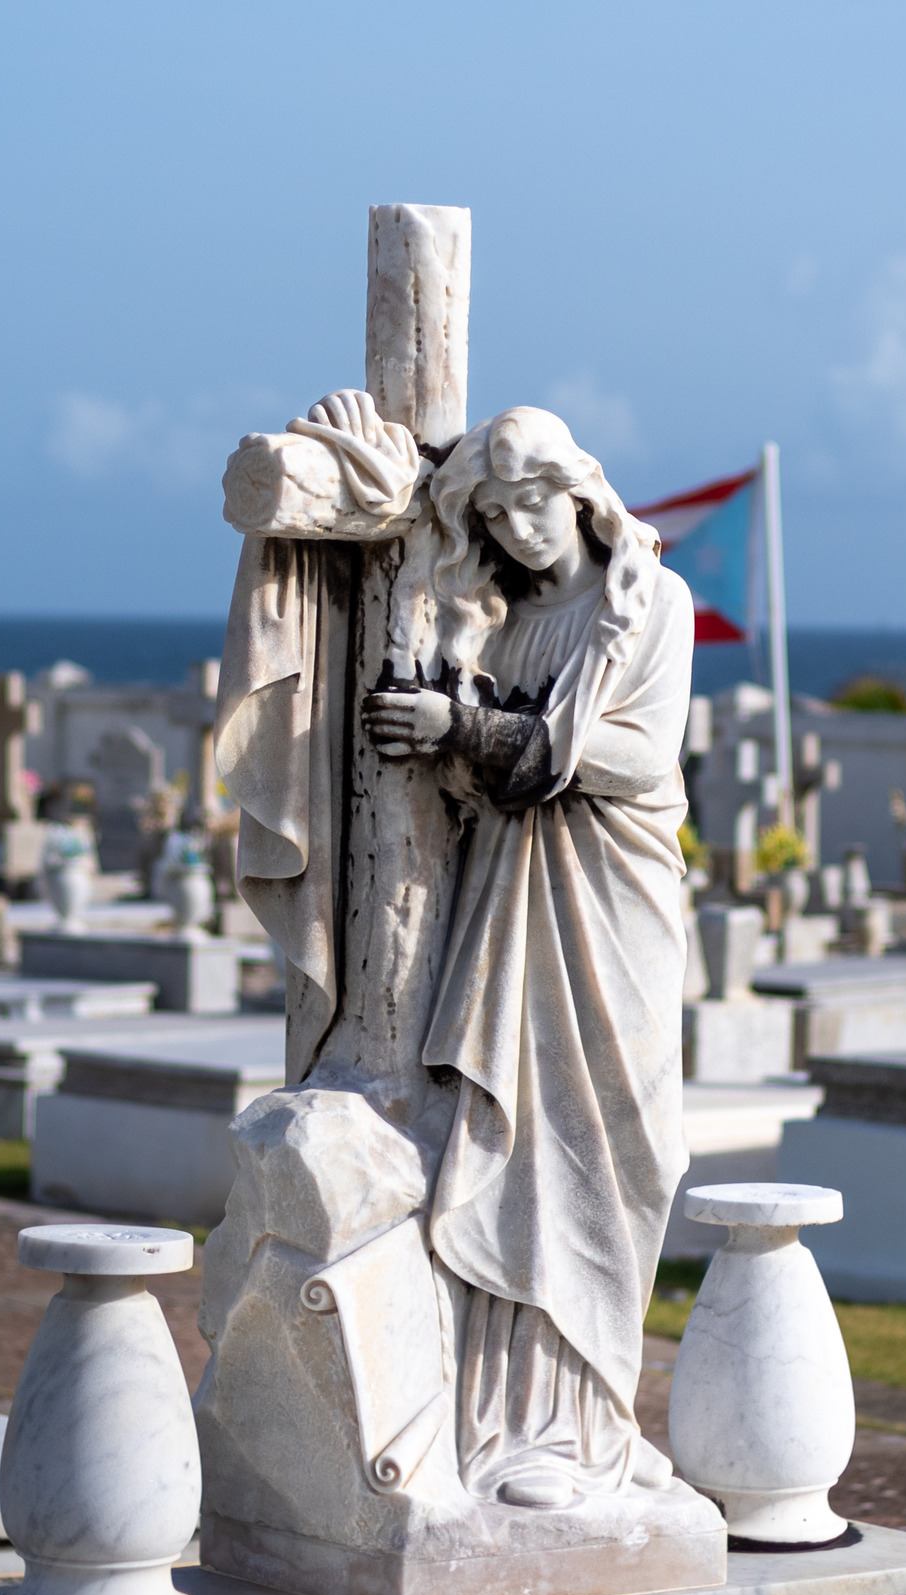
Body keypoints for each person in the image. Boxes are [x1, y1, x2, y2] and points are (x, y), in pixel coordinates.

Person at [359, 406, 695, 1511]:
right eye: (494, 513)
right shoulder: (498, 628)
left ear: (580, 492)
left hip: (612, 904)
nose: (518, 527)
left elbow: (638, 756)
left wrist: (467, 731)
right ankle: (513, 1430)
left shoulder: (648, 604)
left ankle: (594, 1417)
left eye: (532, 502)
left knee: (615, 1143)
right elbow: (484, 778)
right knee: (521, 1142)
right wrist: (447, 733)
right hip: (512, 904)